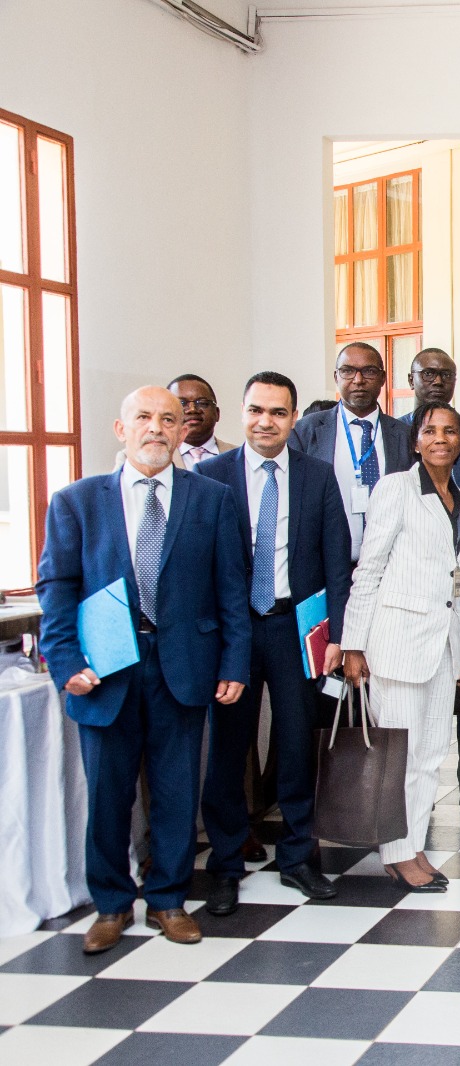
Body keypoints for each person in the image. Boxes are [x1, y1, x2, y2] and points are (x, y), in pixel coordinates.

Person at [37, 387, 250, 953]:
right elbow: (56, 591)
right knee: (107, 793)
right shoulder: (77, 501)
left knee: (178, 790)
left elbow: (231, 590)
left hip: (184, 666)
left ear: (184, 431)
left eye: (168, 420)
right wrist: (65, 663)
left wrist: (233, 661)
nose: (156, 428)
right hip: (105, 672)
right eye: (144, 418)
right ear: (120, 427)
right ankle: (111, 904)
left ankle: (167, 900)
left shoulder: (213, 499)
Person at [196, 372, 351, 916]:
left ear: (294, 419)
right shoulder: (210, 477)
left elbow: (337, 561)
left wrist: (338, 634)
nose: (266, 422)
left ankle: (298, 856)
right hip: (233, 633)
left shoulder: (317, 476)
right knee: (229, 749)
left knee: (294, 744)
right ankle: (225, 862)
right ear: (242, 413)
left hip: (296, 630)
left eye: (278, 412)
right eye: (257, 411)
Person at [341, 402, 460, 891]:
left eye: (450, 431)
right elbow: (369, 568)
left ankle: (414, 844)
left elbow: (457, 584)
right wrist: (352, 645)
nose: (440, 438)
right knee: (397, 754)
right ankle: (397, 853)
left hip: (441, 649)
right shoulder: (396, 488)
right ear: (416, 441)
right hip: (396, 643)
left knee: (428, 754)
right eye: (430, 430)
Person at [398, 348, 460, 823]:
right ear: (411, 378)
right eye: (426, 373)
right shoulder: (397, 433)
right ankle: (404, 813)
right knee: (410, 721)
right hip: (408, 598)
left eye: (445, 374)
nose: (435, 380)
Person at [289, 341, 412, 560]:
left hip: (394, 564)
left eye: (369, 371)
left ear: (383, 378)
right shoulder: (305, 431)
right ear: (336, 377)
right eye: (348, 371)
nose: (358, 380)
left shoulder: (405, 435)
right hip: (327, 565)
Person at [402, 348, 460, 458]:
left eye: (447, 375)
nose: (438, 381)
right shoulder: (393, 433)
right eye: (428, 374)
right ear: (411, 381)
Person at [169, 375, 236, 467]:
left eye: (202, 403)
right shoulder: (155, 457)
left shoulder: (240, 457)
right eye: (182, 403)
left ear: (217, 413)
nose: (192, 409)